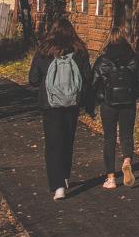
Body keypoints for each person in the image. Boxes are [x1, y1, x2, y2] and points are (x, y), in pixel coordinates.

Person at [26, 15, 93, 200]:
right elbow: (87, 77)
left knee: (53, 144)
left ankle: (57, 186)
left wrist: (45, 84)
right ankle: (64, 177)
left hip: (50, 104)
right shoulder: (79, 50)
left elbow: (32, 79)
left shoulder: (44, 50)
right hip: (72, 103)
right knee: (67, 141)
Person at [91, 21, 139, 188]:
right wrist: (133, 95)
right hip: (128, 103)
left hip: (109, 104)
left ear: (109, 39)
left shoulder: (103, 60)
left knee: (109, 138)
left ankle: (111, 178)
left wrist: (98, 98)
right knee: (126, 135)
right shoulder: (133, 59)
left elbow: (94, 82)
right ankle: (127, 161)